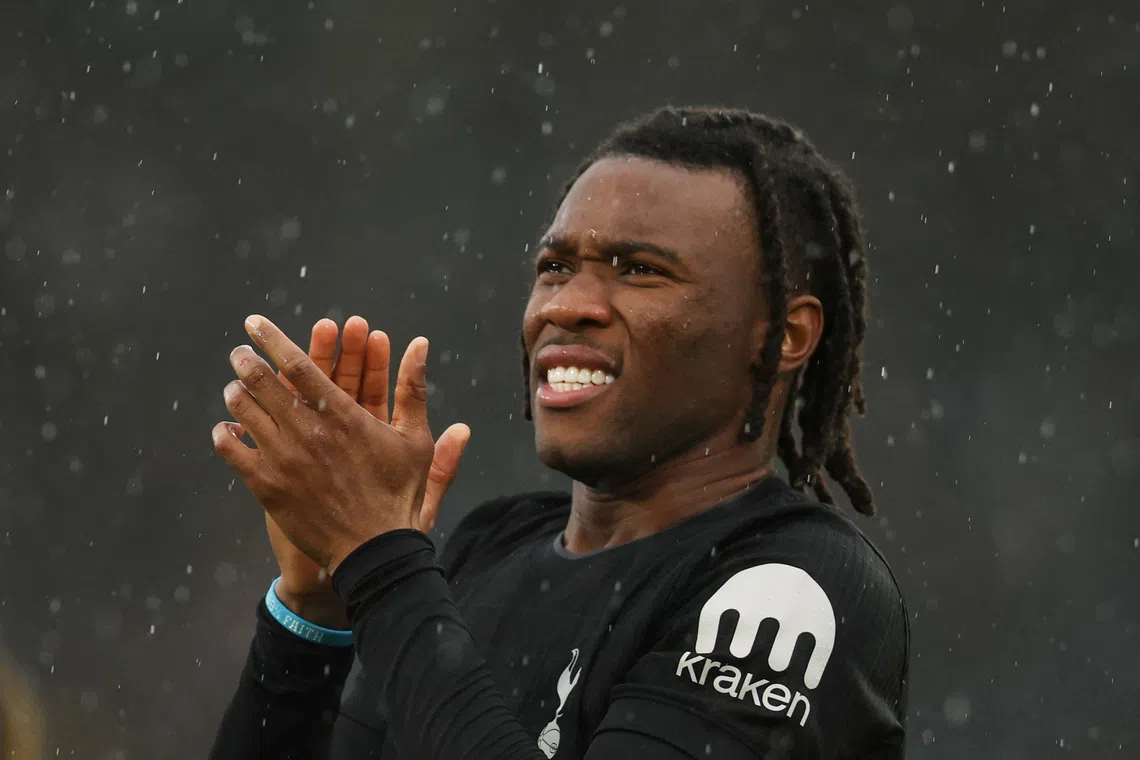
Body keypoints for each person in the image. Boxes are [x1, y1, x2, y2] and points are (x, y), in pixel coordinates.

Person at [208, 106, 909, 759]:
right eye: (556, 267)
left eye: (639, 270)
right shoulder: (485, 550)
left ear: (782, 336)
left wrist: (378, 559)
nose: (568, 305)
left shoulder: (791, 589)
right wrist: (315, 615)